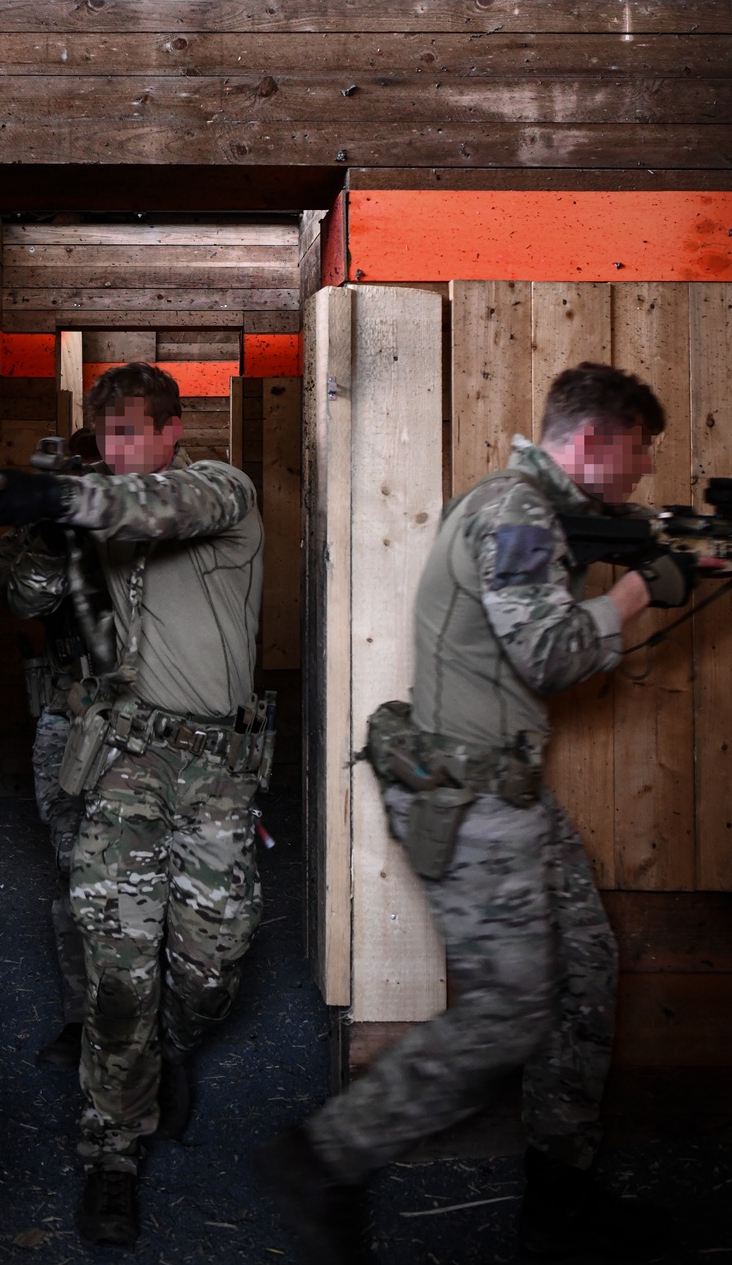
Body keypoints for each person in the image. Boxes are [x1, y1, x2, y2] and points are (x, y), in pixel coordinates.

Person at [260, 362, 699, 1265]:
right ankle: (327, 1156)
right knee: (508, 1012)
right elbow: (548, 652)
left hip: (510, 791)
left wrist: (664, 548)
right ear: (594, 442)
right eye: (640, 450)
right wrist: (641, 588)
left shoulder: (531, 504)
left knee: (584, 971)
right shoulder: (515, 511)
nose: (646, 468)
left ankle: (559, 1194)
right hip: (469, 803)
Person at [0, 364, 265, 1249]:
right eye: (107, 434)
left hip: (217, 771)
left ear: (171, 430)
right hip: (123, 759)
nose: (119, 451)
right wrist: (48, 516)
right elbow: (20, 591)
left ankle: (160, 1057)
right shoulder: (92, 512)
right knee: (119, 973)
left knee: (214, 964)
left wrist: (59, 496)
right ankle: (112, 1151)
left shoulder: (220, 489)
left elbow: (161, 509)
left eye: (133, 433)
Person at [0, 429, 111, 1070]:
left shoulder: (147, 517)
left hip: (153, 711)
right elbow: (15, 588)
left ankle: (152, 1032)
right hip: (71, 713)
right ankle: (84, 1019)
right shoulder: (38, 535)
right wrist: (59, 535)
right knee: (75, 873)